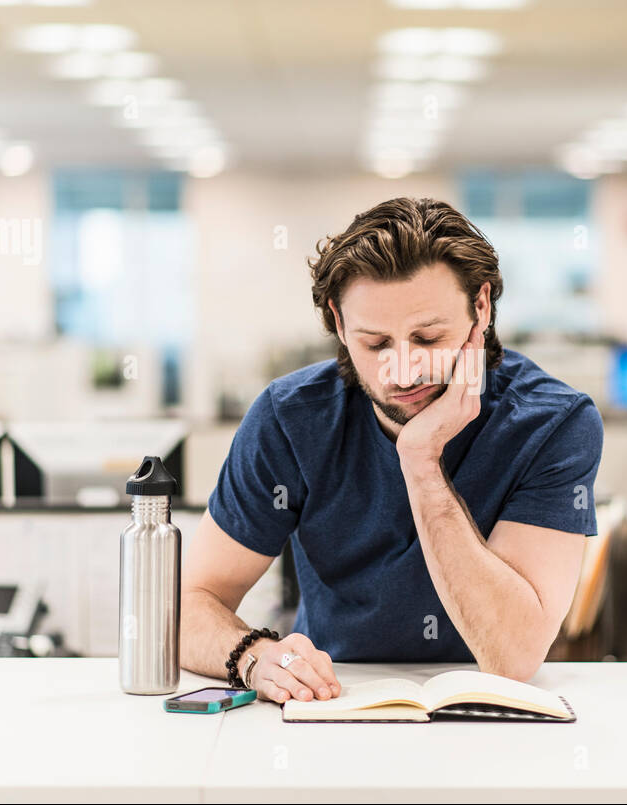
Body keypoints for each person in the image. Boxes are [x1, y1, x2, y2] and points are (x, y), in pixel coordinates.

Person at [180, 197, 603, 703]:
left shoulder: (553, 424)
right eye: (376, 343)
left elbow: (512, 658)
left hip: (490, 706)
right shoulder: (290, 418)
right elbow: (186, 605)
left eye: (427, 338)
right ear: (338, 322)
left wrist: (421, 463)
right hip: (333, 702)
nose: (402, 371)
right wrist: (252, 656)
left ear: (481, 308)